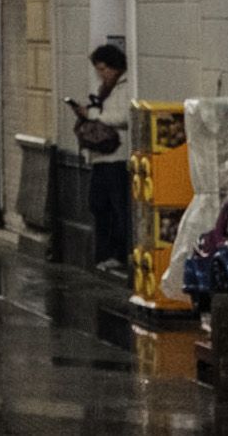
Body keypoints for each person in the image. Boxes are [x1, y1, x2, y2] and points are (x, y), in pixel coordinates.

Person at [75, 42, 133, 278]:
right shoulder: (105, 88)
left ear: (115, 66)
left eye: (103, 69)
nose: (101, 74)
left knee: (117, 207)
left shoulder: (125, 87)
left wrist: (93, 115)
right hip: (100, 158)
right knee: (98, 205)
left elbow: (122, 117)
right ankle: (103, 253)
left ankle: (118, 254)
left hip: (117, 157)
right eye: (98, 70)